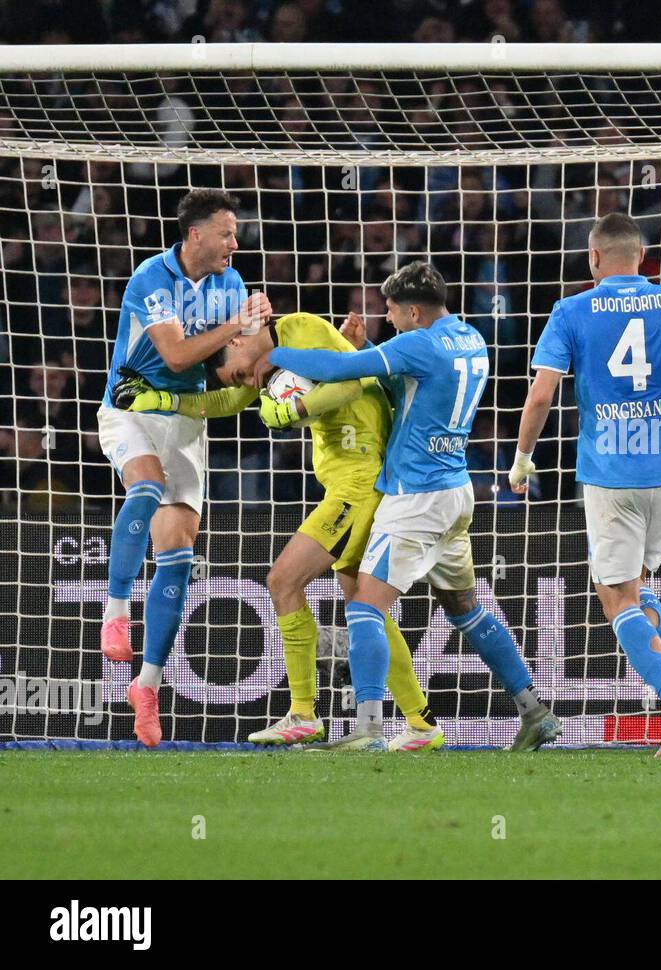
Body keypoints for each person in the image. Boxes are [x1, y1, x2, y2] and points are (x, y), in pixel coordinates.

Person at [116, 308, 444, 751]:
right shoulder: (269, 359)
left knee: (284, 580)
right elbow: (226, 402)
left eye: (239, 375)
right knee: (366, 608)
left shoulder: (302, 330)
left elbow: (350, 383)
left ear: (236, 342)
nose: (248, 384)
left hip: (359, 480)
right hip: (355, 480)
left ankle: (304, 713)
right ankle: (421, 722)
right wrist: (164, 401)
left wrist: (296, 408)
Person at [264, 262, 560, 751]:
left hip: (415, 495)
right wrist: (363, 347)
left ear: (415, 311)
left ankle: (368, 728)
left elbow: (339, 372)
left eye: (394, 313)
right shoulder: (470, 338)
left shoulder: (417, 343)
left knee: (364, 606)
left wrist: (268, 351)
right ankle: (534, 710)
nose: (390, 320)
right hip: (457, 491)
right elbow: (405, 385)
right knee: (466, 610)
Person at [508, 212, 661, 757]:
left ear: (594, 258)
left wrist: (522, 459)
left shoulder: (571, 310)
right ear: (641, 257)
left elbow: (541, 395)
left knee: (614, 596)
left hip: (612, 471)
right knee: (636, 584)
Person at [97, 188, 271, 747]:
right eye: (226, 232)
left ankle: (146, 687)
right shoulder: (152, 276)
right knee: (144, 486)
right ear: (195, 234)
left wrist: (264, 353)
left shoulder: (233, 286)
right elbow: (174, 355)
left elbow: (231, 367)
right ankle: (116, 612)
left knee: (177, 559)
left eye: (235, 232)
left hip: (187, 422)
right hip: (132, 408)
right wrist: (236, 326)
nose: (233, 242)